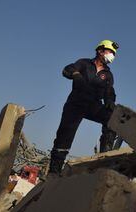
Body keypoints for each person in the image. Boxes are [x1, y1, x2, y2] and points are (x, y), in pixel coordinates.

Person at [48, 40, 119, 175]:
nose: (112, 56)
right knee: (64, 136)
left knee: (112, 119)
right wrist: (75, 74)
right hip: (76, 103)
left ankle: (104, 157)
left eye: (114, 54)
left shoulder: (108, 74)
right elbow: (67, 69)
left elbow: (109, 91)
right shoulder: (84, 63)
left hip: (94, 106)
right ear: (100, 50)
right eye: (110, 52)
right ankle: (54, 171)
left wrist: (110, 101)